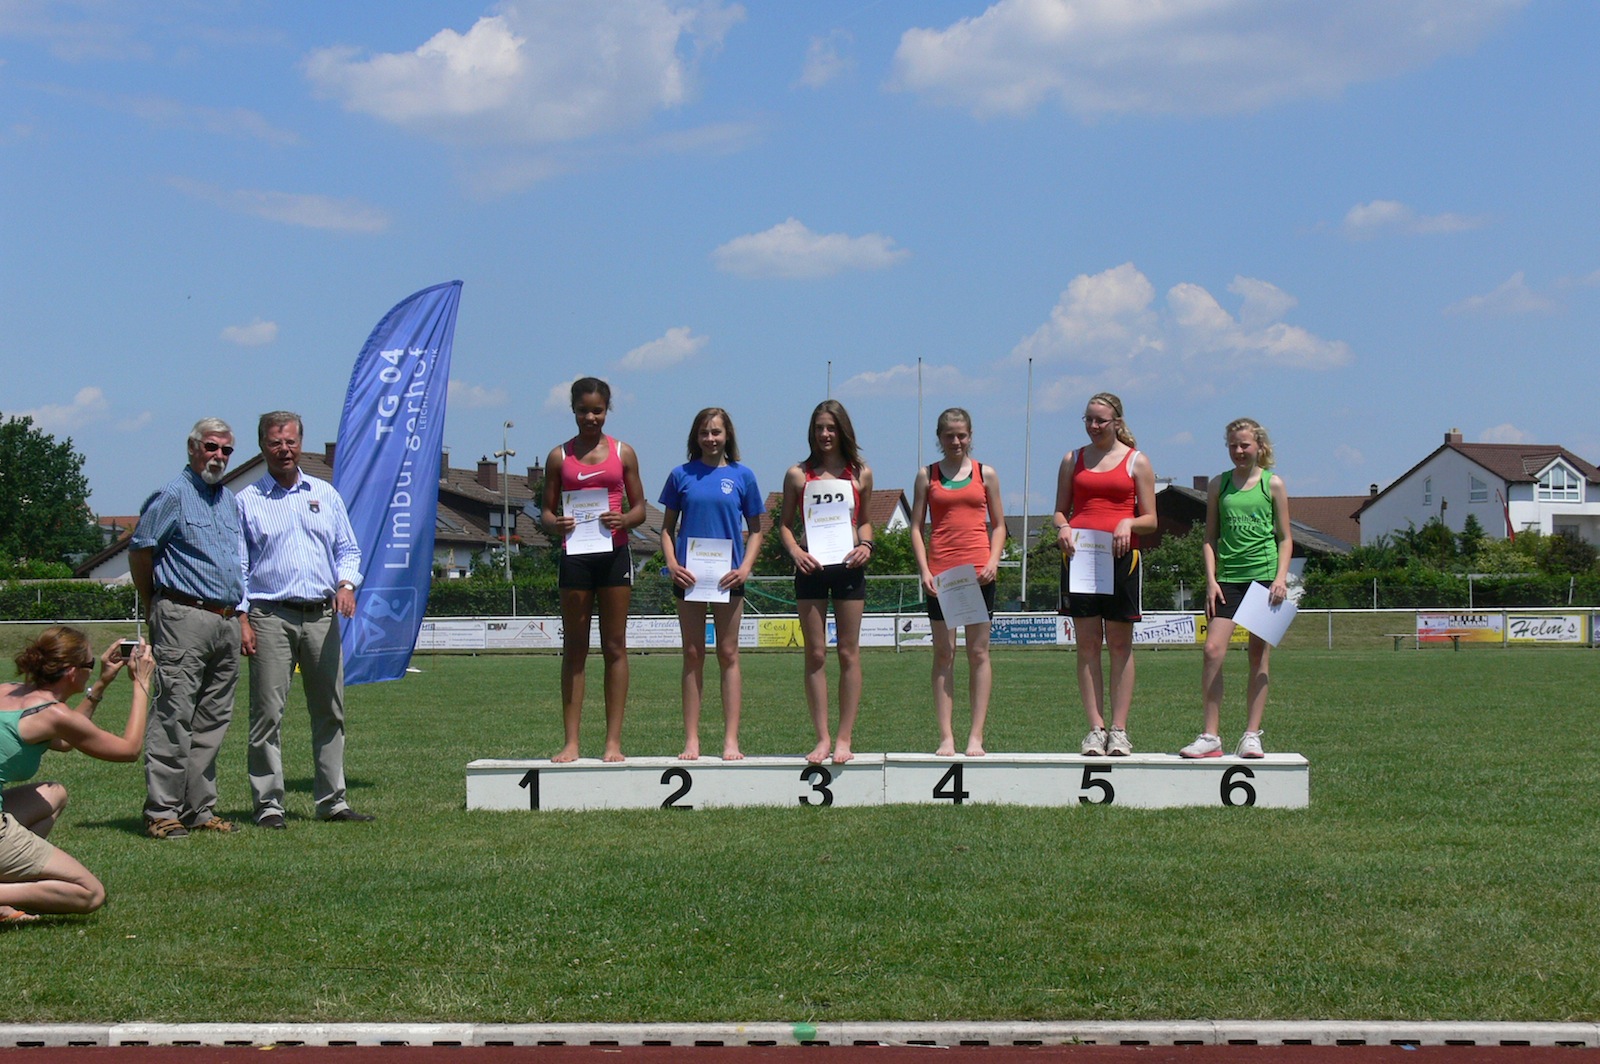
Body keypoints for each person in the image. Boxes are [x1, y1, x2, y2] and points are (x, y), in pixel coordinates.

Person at [237, 411, 372, 828]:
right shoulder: (247, 501)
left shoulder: (325, 494)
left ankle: (333, 802)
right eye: (276, 442)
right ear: (263, 446)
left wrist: (346, 584)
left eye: (291, 442)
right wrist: (242, 617)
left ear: (301, 444)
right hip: (269, 616)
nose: (284, 450)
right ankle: (269, 806)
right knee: (267, 715)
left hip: (321, 617)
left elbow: (348, 550)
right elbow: (239, 567)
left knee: (330, 711)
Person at [127, 416, 246, 839]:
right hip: (183, 616)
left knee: (213, 721)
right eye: (211, 447)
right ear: (192, 448)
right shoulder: (172, 496)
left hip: (226, 620)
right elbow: (140, 550)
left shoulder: (228, 500)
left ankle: (198, 809)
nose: (219, 456)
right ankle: (162, 811)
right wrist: (153, 604)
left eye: (226, 450)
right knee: (173, 715)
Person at [0, 627, 155, 919]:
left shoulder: (9, 690)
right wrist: (141, 683)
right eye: (90, 664)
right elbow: (129, 750)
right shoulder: (50, 714)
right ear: (72, 672)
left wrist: (101, 683)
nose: (93, 669)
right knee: (89, 893)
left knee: (54, 795)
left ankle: (7, 890)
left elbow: (63, 741)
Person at [540, 377, 646, 763]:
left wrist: (624, 520)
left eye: (597, 411)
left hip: (613, 555)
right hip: (576, 557)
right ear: (573, 410)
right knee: (575, 647)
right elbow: (545, 512)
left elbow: (640, 509)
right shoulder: (558, 457)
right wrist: (556, 525)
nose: (590, 417)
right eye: (583, 410)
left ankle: (613, 743)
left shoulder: (623, 452)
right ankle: (571, 742)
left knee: (615, 647)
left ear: (607, 410)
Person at [1181, 418, 1293, 759]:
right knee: (1212, 650)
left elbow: (1285, 538)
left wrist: (1280, 578)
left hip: (1264, 581)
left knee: (1258, 657)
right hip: (1227, 580)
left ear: (1259, 446)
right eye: (1233, 446)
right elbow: (1209, 538)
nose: (1239, 451)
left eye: (1245, 445)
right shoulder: (1220, 484)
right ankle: (1210, 736)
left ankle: (1251, 735)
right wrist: (1211, 581)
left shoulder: (1273, 484)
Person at [658, 407, 765, 761]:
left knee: (728, 654)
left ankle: (731, 740)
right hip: (689, 578)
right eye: (704, 432)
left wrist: (745, 568)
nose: (710, 438)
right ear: (696, 436)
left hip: (728, 577)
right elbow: (666, 529)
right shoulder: (680, 475)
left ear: (727, 435)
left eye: (716, 432)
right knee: (692, 654)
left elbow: (757, 530)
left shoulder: (743, 476)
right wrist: (672, 564)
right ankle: (691, 740)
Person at [1054, 392, 1156, 756]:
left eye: (1100, 420)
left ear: (1117, 422)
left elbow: (1151, 519)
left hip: (1122, 560)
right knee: (1087, 646)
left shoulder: (1136, 461)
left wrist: (1128, 522)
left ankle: (1119, 730)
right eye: (1088, 419)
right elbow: (1059, 511)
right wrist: (1063, 527)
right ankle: (1095, 729)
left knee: (1120, 645)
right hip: (1080, 559)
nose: (1094, 426)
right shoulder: (1072, 459)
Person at [778, 400, 875, 764]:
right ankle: (822, 738)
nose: (825, 434)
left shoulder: (860, 473)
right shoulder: (798, 475)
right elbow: (784, 525)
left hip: (848, 566)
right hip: (811, 567)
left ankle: (844, 739)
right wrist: (795, 552)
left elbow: (865, 521)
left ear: (843, 430)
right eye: (819, 427)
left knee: (848, 652)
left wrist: (866, 545)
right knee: (816, 654)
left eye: (831, 427)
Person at [909, 407, 1005, 758]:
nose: (956, 441)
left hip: (979, 574)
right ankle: (946, 736)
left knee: (978, 653)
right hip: (942, 577)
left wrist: (993, 561)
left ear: (970, 435)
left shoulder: (985, 473)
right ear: (939, 437)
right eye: (949, 435)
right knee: (944, 653)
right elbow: (916, 527)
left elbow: (999, 525)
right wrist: (924, 570)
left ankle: (976, 736)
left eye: (962, 435)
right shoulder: (927, 475)